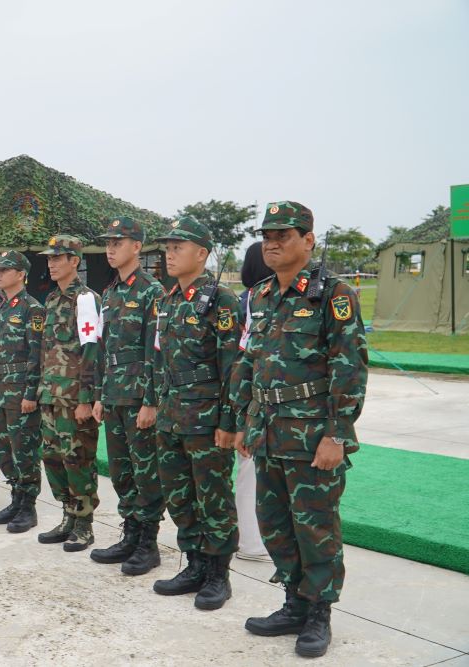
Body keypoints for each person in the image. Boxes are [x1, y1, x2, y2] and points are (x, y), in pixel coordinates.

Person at [230, 202, 368, 658]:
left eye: (283, 235)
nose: (272, 243)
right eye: (267, 236)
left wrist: (336, 435)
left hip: (312, 437)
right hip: (268, 432)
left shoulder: (334, 293)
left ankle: (318, 613)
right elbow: (252, 362)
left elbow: (349, 369)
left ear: (308, 240)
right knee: (275, 526)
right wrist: (247, 423)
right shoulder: (261, 295)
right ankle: (293, 602)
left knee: (316, 527)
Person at [151, 216, 240, 611]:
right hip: (171, 418)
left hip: (205, 422)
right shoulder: (169, 300)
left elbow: (231, 367)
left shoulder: (222, 301)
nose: (170, 254)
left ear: (201, 254)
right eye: (167, 248)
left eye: (178, 247)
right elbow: (162, 362)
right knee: (180, 496)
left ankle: (218, 575)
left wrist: (227, 421)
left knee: (214, 498)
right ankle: (194, 563)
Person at [90, 216, 166, 575]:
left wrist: (151, 400)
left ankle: (147, 543)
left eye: (117, 242)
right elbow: (103, 349)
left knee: (145, 472)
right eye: (108, 242)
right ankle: (130, 534)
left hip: (139, 397)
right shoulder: (110, 293)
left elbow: (156, 350)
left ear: (137, 246)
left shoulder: (152, 291)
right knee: (121, 472)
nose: (110, 248)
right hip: (116, 394)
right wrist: (100, 394)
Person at [35, 235, 101, 551]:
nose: (51, 263)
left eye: (58, 258)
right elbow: (47, 350)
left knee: (78, 460)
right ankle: (67, 516)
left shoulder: (86, 299)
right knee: (53, 458)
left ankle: (84, 525)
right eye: (49, 259)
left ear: (74, 261)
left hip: (74, 398)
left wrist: (86, 398)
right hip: (50, 395)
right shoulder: (51, 300)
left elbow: (91, 350)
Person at [0, 250, 44, 533]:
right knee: (4, 450)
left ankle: (27, 507)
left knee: (24, 451)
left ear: (20, 274)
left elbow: (36, 353)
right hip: (1, 390)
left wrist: (31, 393)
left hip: (20, 393)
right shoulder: (1, 307)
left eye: (5, 270)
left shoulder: (32, 308)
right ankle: (16, 499)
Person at [234, 242, 274, 562]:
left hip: (239, 395)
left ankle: (249, 538)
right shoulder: (256, 300)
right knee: (252, 471)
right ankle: (252, 541)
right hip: (253, 398)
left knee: (247, 470)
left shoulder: (243, 299)